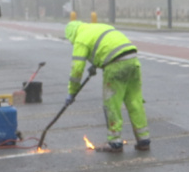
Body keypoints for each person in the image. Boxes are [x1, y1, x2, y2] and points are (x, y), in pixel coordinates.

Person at [63, 21, 149, 152]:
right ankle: (144, 141)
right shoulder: (98, 27)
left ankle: (115, 143)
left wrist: (72, 92)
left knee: (112, 104)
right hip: (132, 59)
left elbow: (76, 71)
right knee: (134, 101)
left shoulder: (80, 40)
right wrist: (96, 64)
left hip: (116, 65)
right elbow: (106, 45)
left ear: (71, 35)